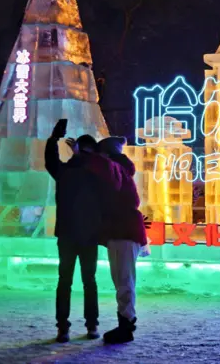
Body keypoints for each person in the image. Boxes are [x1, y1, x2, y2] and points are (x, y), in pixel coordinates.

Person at [44, 120, 105, 343]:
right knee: (68, 280)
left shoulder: (95, 173)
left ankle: (90, 324)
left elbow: (98, 166)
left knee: (86, 280)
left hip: (85, 235)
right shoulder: (66, 172)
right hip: (71, 234)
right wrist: (53, 139)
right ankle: (64, 326)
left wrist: (81, 155)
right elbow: (51, 161)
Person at [95, 136, 147, 344]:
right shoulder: (123, 172)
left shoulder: (115, 172)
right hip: (125, 230)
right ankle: (126, 323)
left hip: (121, 231)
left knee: (123, 279)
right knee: (124, 279)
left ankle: (126, 325)